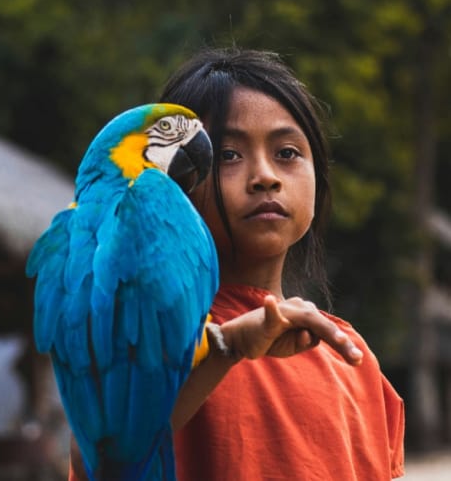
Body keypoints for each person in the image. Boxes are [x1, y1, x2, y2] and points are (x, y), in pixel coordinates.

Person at [69, 47, 404, 480]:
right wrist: (227, 348)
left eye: (287, 153)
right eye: (228, 155)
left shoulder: (351, 356)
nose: (265, 175)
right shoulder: (149, 332)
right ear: (177, 180)